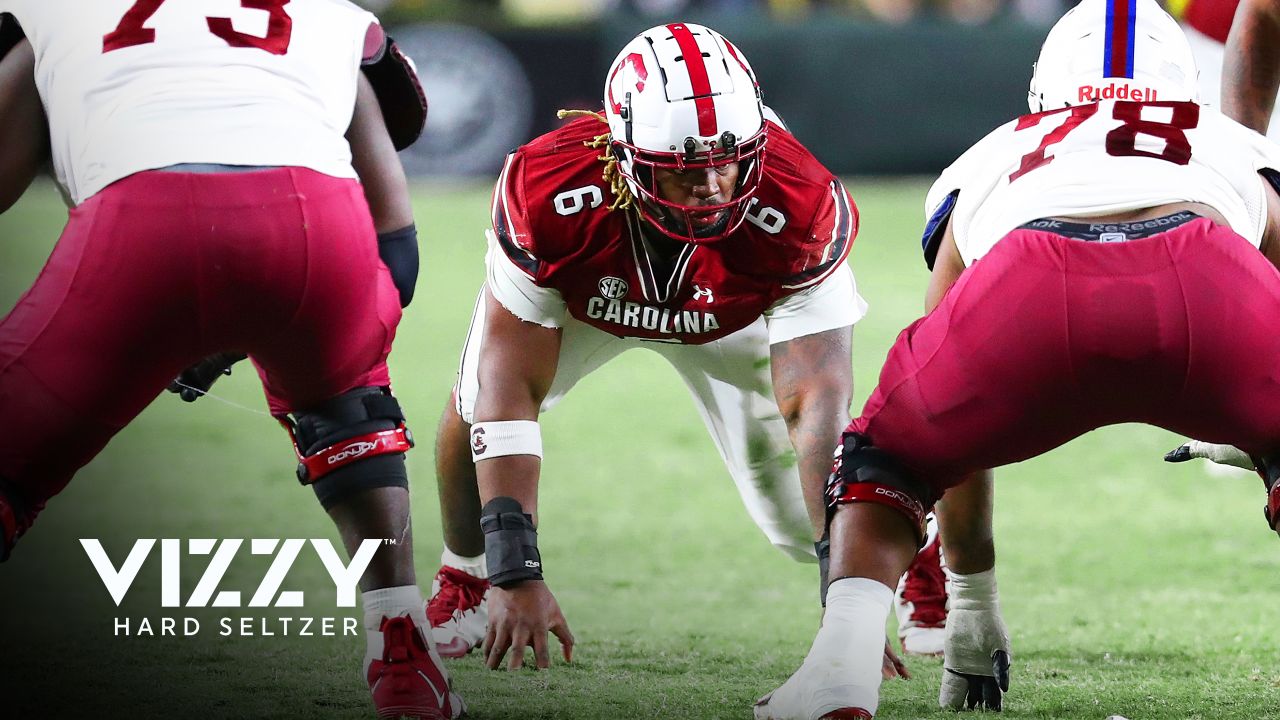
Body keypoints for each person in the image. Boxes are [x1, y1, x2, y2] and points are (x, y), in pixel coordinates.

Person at [755, 0, 1280, 717]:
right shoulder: (1229, 140)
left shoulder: (994, 149)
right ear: (1183, 79)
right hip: (1204, 268)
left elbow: (952, 402)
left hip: (1034, 279)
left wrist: (971, 601)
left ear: (1045, 86)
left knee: (888, 464)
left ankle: (840, 679)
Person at [422, 21, 947, 673]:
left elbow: (816, 408)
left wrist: (842, 606)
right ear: (622, 156)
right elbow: (507, 390)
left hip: (731, 314)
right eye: (683, 173)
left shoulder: (799, 203)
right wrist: (513, 570)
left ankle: (918, 555)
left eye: (728, 162)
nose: (712, 188)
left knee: (792, 523)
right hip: (594, 294)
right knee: (471, 404)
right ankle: (464, 580)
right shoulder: (550, 191)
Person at [0, 2, 460, 718]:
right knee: (350, 407)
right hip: (319, 225)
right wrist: (321, 351)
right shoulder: (329, 15)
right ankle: (402, 654)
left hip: (139, 221)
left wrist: (180, 317)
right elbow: (395, 241)